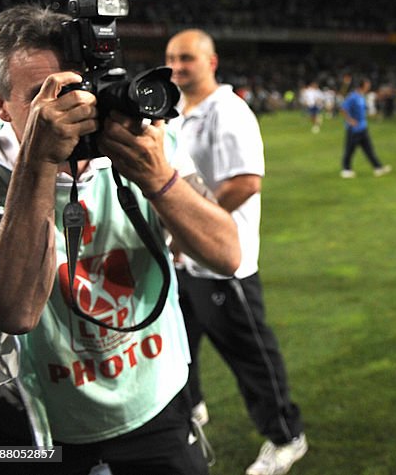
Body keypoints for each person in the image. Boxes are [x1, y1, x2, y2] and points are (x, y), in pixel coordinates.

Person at [0, 4, 241, 474]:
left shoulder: (141, 142)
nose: (73, 110)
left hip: (155, 405)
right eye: (46, 97)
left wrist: (159, 179)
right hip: (34, 432)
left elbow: (227, 254)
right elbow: (15, 310)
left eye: (79, 90)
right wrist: (39, 163)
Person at [165, 29, 308, 475]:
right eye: (170, 57)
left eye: (186, 57)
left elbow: (246, 181)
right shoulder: (171, 112)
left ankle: (287, 436)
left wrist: (190, 227)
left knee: (251, 357)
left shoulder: (228, 111)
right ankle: (189, 412)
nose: (176, 66)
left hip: (226, 263)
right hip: (182, 261)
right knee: (175, 350)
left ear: (211, 61)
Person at [339, 77, 391, 179]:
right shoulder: (353, 96)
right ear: (363, 85)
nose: (369, 86)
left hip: (363, 128)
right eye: (368, 84)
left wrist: (373, 116)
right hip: (354, 130)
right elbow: (343, 109)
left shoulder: (362, 97)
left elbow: (362, 113)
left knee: (369, 149)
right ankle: (346, 170)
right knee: (349, 150)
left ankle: (378, 168)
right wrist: (350, 120)